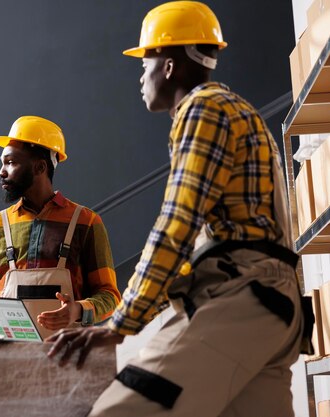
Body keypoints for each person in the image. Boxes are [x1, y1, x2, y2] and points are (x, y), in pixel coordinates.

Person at [47, 2, 308, 416]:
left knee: (117, 412)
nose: (141, 75)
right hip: (274, 308)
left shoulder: (203, 110)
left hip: (241, 298)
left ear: (168, 66)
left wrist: (121, 322)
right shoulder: (239, 111)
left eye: (144, 61)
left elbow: (176, 224)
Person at [0, 115, 121, 338]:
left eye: (10, 162)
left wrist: (77, 309)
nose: (1, 172)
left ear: (39, 167)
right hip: (4, 356)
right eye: (2, 163)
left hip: (66, 355)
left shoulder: (87, 222)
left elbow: (110, 296)